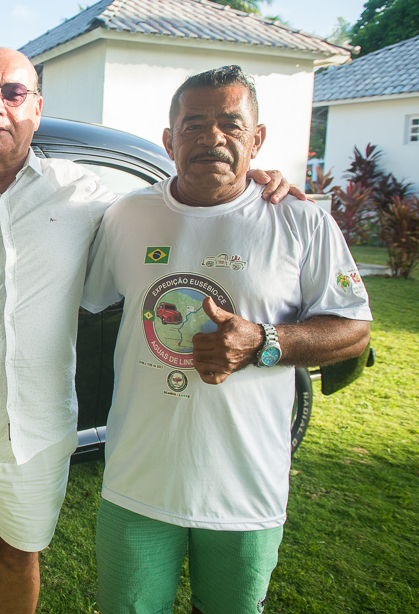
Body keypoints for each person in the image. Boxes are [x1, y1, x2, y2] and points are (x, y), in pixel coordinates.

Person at [0, 48, 297, 614]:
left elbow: (176, 202)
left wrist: (252, 180)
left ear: (37, 109)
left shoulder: (85, 196)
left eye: (12, 93)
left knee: (16, 556)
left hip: (38, 430)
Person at [80, 65, 372, 614]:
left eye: (230, 124)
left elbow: (354, 329)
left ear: (256, 140)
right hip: (138, 481)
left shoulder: (300, 222)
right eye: (193, 124)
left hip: (245, 490)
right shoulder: (127, 217)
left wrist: (265, 341)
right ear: (169, 140)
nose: (211, 136)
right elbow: (77, 297)